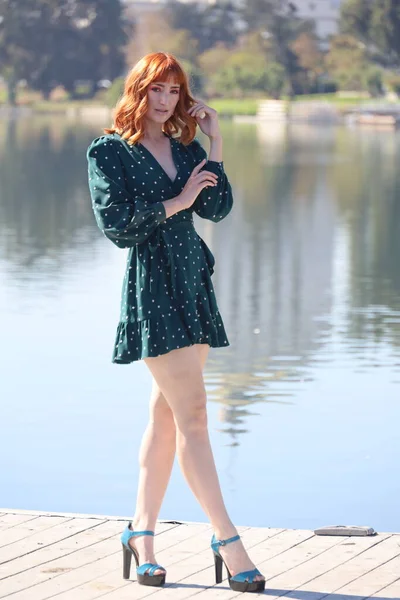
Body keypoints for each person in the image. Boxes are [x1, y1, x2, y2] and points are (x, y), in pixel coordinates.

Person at [87, 52, 265, 593]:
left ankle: (141, 533)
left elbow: (217, 209)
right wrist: (178, 200)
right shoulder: (110, 152)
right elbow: (116, 226)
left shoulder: (186, 148)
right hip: (154, 289)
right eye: (156, 89)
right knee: (193, 414)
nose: (165, 100)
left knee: (167, 418)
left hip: (192, 284)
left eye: (174, 91)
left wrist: (215, 143)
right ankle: (227, 539)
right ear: (137, 91)